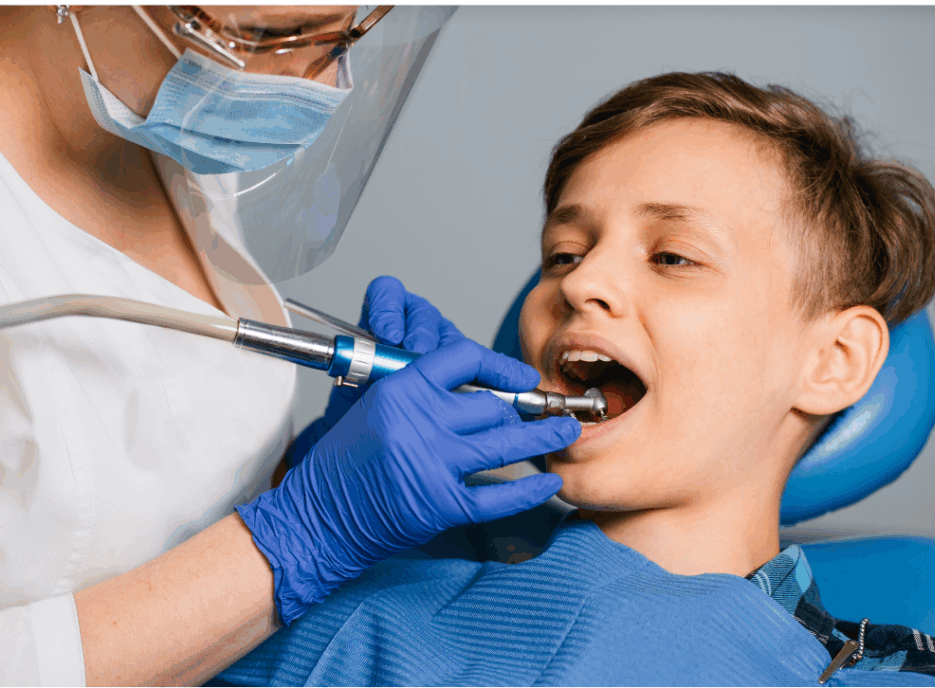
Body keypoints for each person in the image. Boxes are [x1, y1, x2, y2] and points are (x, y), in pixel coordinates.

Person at [216, 73, 935, 686]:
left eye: (672, 256)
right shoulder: (389, 567)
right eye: (564, 252)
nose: (579, 281)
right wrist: (302, 490)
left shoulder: (894, 675)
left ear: (831, 362)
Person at [0, 6, 576, 685]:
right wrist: (303, 536)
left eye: (347, 28)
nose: (322, 82)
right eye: (271, 38)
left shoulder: (159, 116)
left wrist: (307, 468)